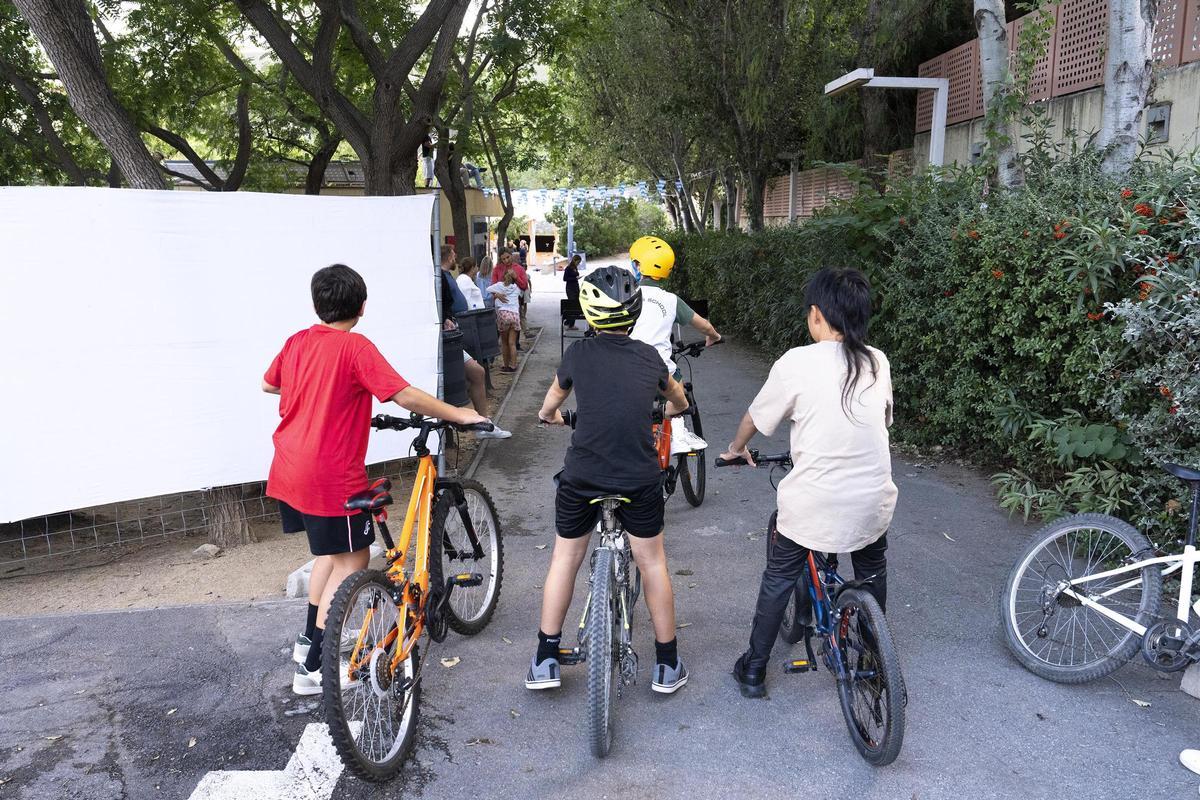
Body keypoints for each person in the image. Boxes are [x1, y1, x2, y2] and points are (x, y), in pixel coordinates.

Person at [263, 264, 490, 695]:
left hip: (289, 465)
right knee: (352, 564)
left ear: (317, 303)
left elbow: (268, 384)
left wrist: (313, 394)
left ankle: (309, 640)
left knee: (329, 555)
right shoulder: (354, 348)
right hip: (330, 473)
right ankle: (314, 669)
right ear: (362, 307)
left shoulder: (297, 341)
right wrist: (460, 413)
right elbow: (402, 394)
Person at [720, 266, 897, 699]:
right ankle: (873, 662)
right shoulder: (878, 360)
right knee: (872, 569)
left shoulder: (797, 362)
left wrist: (735, 448)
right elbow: (884, 420)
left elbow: (756, 419)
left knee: (779, 575)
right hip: (873, 499)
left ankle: (754, 669)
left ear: (816, 315)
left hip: (814, 503)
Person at [531, 265, 691, 694]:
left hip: (583, 477)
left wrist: (550, 417)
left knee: (565, 558)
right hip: (638, 478)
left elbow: (551, 402)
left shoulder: (578, 356)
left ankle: (546, 657)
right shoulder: (651, 358)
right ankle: (667, 663)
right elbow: (678, 401)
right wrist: (664, 411)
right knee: (652, 561)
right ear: (635, 313)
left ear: (589, 314)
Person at [627, 235, 721, 454]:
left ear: (637, 265)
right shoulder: (671, 300)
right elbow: (704, 325)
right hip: (659, 370)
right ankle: (677, 435)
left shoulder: (627, 295)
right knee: (676, 383)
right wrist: (714, 337)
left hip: (627, 367)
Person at [441, 244, 511, 439]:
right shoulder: (440, 277)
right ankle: (472, 425)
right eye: (453, 254)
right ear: (447, 257)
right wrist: (445, 318)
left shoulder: (447, 276)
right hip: (445, 337)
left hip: (451, 333)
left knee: (477, 373)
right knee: (465, 379)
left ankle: (482, 424)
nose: (456, 257)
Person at [486, 269, 522, 372]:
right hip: (515, 315)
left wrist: (497, 294)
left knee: (504, 343)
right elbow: (522, 293)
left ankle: (506, 365)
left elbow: (488, 289)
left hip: (503, 315)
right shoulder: (516, 287)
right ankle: (513, 366)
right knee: (512, 343)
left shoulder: (499, 285)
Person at [562, 254, 581, 330]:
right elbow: (565, 278)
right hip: (570, 288)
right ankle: (571, 324)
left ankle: (568, 321)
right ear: (575, 260)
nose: (578, 264)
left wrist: (576, 277)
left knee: (577, 304)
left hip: (576, 287)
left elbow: (575, 275)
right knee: (572, 305)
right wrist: (574, 278)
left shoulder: (575, 268)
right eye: (578, 262)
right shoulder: (568, 268)